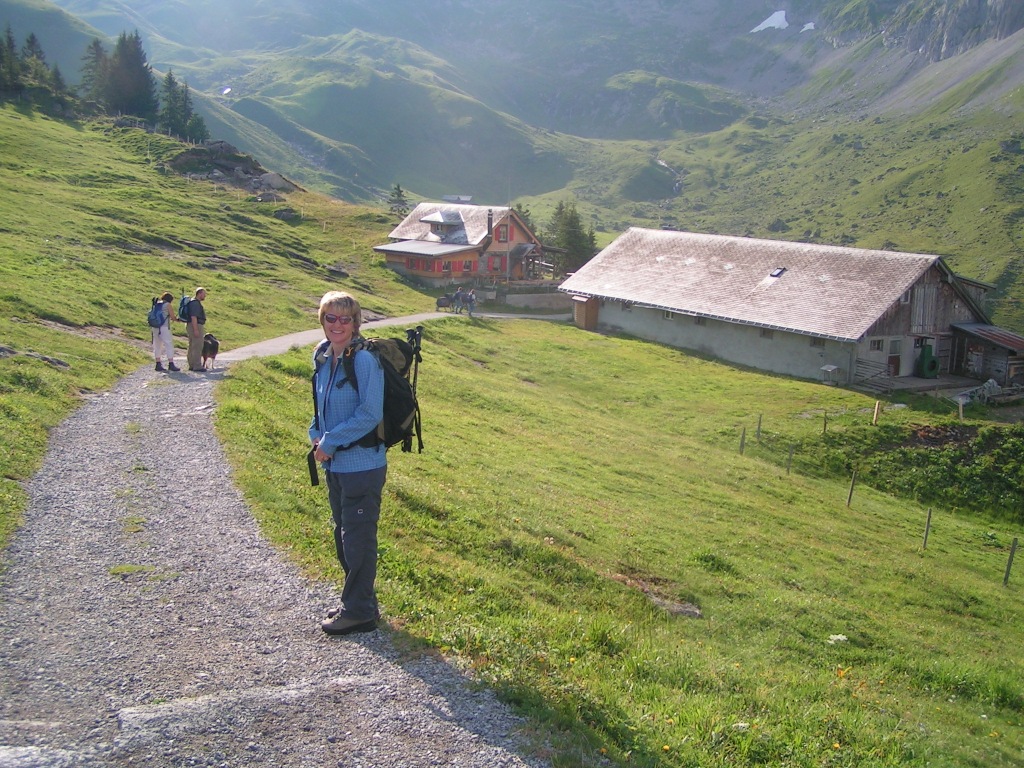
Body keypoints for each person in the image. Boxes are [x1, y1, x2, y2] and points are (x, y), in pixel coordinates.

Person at [309, 290, 386, 636]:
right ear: (322, 320)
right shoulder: (324, 357)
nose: (337, 325)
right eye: (330, 317)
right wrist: (316, 434)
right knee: (345, 537)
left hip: (362, 466)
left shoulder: (365, 360)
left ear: (355, 323)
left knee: (357, 539)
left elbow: (369, 414)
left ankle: (358, 612)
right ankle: (360, 603)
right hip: (335, 466)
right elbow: (321, 406)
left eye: (345, 319)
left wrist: (329, 441)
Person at [152, 292, 180, 372]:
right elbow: (172, 317)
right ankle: (171, 363)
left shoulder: (156, 304)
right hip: (164, 327)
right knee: (168, 344)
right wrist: (177, 319)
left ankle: (158, 363)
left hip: (155, 327)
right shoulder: (168, 305)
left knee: (157, 345)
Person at [184, 287, 208, 372]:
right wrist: (196, 329)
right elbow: (193, 316)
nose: (205, 295)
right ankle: (197, 365)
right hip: (195, 325)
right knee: (197, 345)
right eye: (204, 294)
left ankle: (192, 364)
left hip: (191, 325)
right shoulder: (195, 303)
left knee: (192, 345)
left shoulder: (192, 302)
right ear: (199, 293)